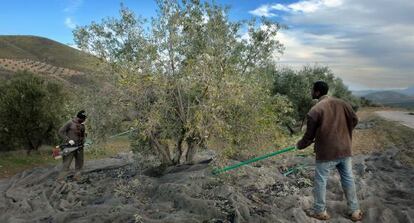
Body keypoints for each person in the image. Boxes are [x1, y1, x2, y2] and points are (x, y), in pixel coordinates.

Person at [296, 81, 363, 222]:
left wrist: (300, 145)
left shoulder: (315, 110)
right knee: (348, 178)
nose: (311, 91)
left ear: (317, 92)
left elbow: (308, 136)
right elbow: (355, 120)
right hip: (345, 150)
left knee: (320, 181)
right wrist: (344, 132)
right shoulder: (343, 103)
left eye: (312, 89)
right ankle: (355, 211)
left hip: (327, 153)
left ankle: (320, 211)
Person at [57, 110, 87, 181]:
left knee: (80, 163)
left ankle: (77, 177)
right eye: (84, 119)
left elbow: (83, 136)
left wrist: (84, 141)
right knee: (66, 164)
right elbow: (60, 131)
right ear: (80, 118)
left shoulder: (82, 125)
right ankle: (61, 179)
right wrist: (68, 140)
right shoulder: (70, 123)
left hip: (80, 147)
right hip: (69, 147)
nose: (85, 120)